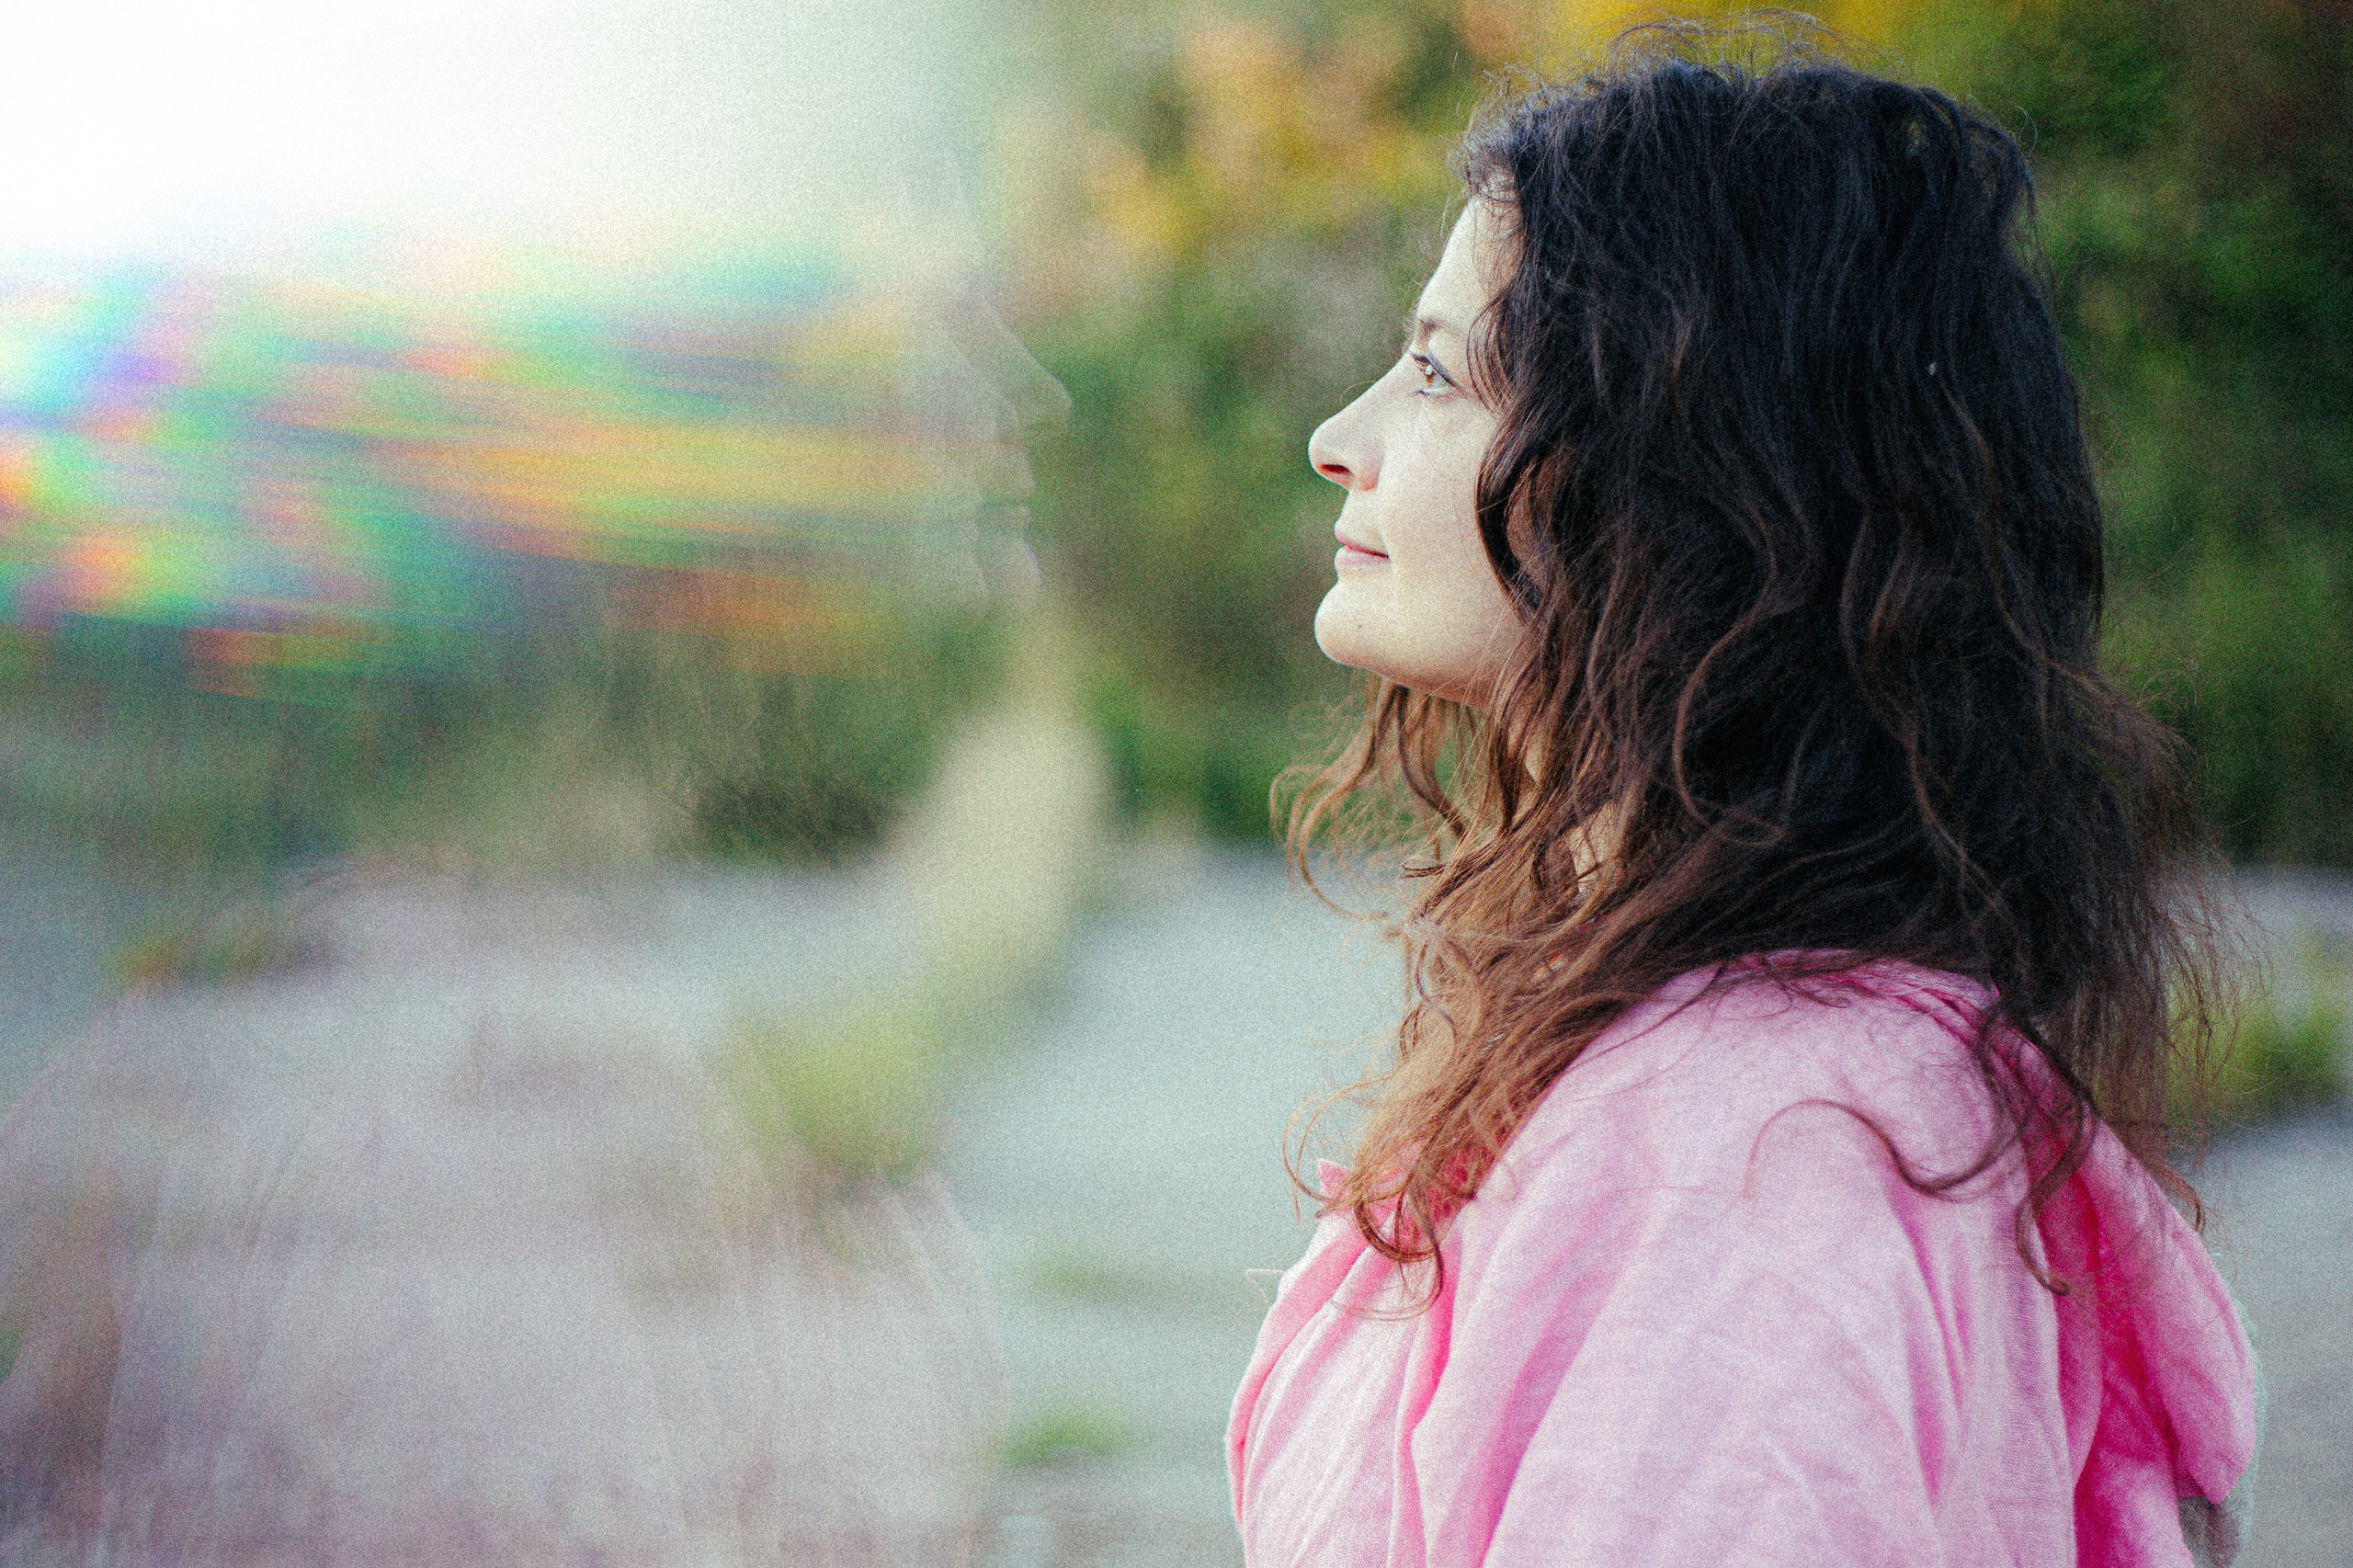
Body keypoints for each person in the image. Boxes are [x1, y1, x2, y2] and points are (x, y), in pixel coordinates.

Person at [1229, 24, 2259, 1568]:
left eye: (1438, 372)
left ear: (1684, 477)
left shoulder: (1748, 1163)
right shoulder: (1759, 1071)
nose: (1339, 441)